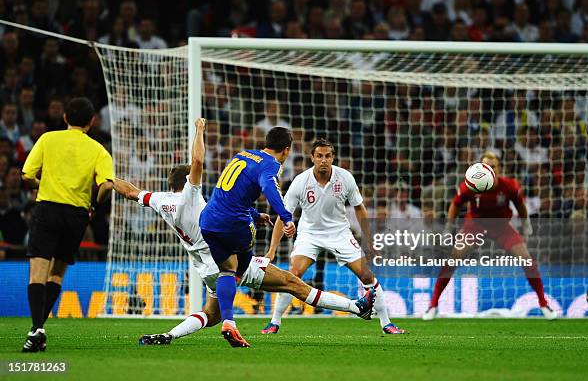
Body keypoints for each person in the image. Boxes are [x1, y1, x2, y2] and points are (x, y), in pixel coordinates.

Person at [113, 119, 375, 345]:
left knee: (210, 314)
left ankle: (170, 335)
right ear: (286, 150)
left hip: (207, 262)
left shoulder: (163, 201)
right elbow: (209, 165)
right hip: (228, 246)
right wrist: (285, 217)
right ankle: (356, 307)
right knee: (291, 282)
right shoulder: (197, 192)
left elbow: (132, 191)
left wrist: (108, 179)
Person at [262, 139, 405, 335]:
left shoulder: (345, 177)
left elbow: (360, 209)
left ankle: (386, 323)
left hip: (339, 233)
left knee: (366, 275)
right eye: (319, 156)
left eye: (327, 156)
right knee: (293, 273)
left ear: (333, 158)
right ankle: (274, 322)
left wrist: (370, 242)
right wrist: (271, 251)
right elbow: (282, 215)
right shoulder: (300, 181)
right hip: (309, 234)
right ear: (312, 158)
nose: (324, 160)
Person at [21, 97, 114, 352]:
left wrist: (42, 185)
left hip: (47, 209)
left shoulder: (48, 139)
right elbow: (107, 184)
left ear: (65, 118)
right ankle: (37, 330)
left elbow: (27, 175)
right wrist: (95, 203)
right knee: (57, 274)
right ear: (92, 121)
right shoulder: (98, 150)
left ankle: (37, 328)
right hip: (76, 216)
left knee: (37, 273)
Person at [422, 151, 557, 321]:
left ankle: (544, 304)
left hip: (501, 227)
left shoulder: (509, 186)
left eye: (492, 167)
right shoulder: (469, 185)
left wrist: (526, 225)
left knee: (527, 261)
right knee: (452, 261)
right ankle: (432, 305)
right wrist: (449, 227)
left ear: (499, 169)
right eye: (485, 166)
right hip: (475, 226)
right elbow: (455, 204)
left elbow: (520, 206)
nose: (489, 170)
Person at [199, 127, 297, 348]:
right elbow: (270, 188)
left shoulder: (242, 154)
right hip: (233, 224)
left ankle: (229, 322)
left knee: (227, 269)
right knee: (242, 265)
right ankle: (255, 295)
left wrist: (254, 213)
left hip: (208, 221)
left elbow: (229, 193)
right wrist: (286, 217)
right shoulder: (272, 164)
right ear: (286, 150)